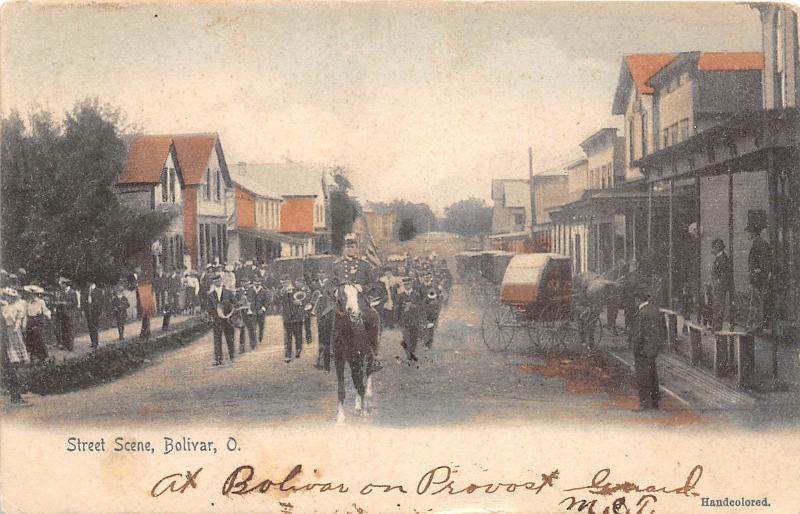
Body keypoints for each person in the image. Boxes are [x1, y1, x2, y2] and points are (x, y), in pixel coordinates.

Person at [631, 288, 666, 410]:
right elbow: (662, 330)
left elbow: (638, 334)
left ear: (638, 300)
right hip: (653, 349)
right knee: (653, 376)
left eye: (635, 300)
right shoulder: (655, 310)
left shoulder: (642, 313)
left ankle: (645, 404)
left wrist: (635, 350)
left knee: (643, 377)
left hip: (643, 350)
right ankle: (655, 402)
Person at [1, 287, 29, 404]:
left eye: (11, 297)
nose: (9, 298)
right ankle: (13, 391)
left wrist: (16, 328)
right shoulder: (3, 308)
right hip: (6, 332)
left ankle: (18, 388)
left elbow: (18, 321)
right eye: (7, 296)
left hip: (14, 332)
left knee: (17, 362)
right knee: (10, 363)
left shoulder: (17, 307)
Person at [747, 225, 773, 333]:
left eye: (749, 232)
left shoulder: (759, 243)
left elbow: (763, 263)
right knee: (756, 303)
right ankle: (754, 326)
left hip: (758, 279)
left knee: (756, 303)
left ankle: (756, 327)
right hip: (757, 278)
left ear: (753, 233)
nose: (747, 234)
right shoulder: (758, 243)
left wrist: (758, 272)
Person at [206, 273, 236, 365]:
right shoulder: (210, 295)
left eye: (219, 280)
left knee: (229, 338)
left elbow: (234, 303)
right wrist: (214, 315)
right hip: (217, 320)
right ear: (213, 283)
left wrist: (230, 314)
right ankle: (218, 359)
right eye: (215, 281)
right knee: (217, 340)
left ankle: (232, 357)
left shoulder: (228, 292)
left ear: (221, 281)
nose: (217, 282)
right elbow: (209, 308)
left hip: (227, 319)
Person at [310, 270, 336, 371]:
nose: (320, 274)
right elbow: (312, 298)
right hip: (319, 313)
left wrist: (324, 295)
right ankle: (321, 356)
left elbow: (334, 298)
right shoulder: (315, 284)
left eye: (322, 272)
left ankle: (330, 355)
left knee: (330, 333)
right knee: (321, 334)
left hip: (329, 312)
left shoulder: (330, 284)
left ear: (326, 274)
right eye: (319, 272)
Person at [710, 238, 734, 332]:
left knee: (719, 307)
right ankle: (715, 326)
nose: (712, 249)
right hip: (717, 286)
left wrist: (718, 282)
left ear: (717, 248)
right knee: (716, 306)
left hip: (720, 287)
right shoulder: (719, 258)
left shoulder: (723, 258)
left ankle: (717, 328)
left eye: (714, 247)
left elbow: (724, 274)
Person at [23, 285, 51, 362]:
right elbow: (25, 314)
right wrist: (24, 325)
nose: (30, 295)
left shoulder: (41, 302)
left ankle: (43, 356)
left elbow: (45, 310)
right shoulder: (27, 303)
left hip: (38, 320)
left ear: (35, 294)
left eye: (32, 294)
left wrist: (48, 315)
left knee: (39, 338)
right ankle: (33, 356)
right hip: (30, 321)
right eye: (29, 293)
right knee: (31, 339)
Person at [281, 282, 305, 363]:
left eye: (287, 282)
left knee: (298, 335)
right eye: (284, 282)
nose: (286, 285)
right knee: (288, 337)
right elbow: (275, 302)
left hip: (297, 318)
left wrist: (300, 303)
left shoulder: (297, 291)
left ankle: (298, 348)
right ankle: (288, 355)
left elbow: (305, 301)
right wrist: (281, 293)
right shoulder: (282, 293)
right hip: (287, 318)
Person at [53, 277, 79, 351]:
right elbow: (60, 301)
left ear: (65, 284)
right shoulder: (62, 292)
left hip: (69, 314)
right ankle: (65, 345)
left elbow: (75, 303)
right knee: (63, 329)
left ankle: (70, 346)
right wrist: (58, 303)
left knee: (70, 330)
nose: (61, 286)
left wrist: (65, 303)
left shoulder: (73, 292)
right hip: (62, 314)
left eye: (61, 284)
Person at [82, 282, 103, 349]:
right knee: (90, 327)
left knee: (94, 327)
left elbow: (100, 302)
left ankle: (95, 342)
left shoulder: (99, 291)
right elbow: (84, 300)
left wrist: (99, 312)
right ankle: (92, 342)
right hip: (88, 312)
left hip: (95, 312)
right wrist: (84, 309)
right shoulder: (87, 290)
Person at [248, 278, 270, 343]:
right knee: (253, 327)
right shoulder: (250, 290)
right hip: (252, 311)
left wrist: (263, 309)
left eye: (258, 282)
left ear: (260, 282)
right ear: (253, 282)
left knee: (261, 327)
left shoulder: (264, 291)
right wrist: (250, 309)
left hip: (261, 312)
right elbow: (248, 300)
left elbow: (267, 301)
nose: (257, 283)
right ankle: (253, 341)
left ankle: (260, 338)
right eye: (255, 281)